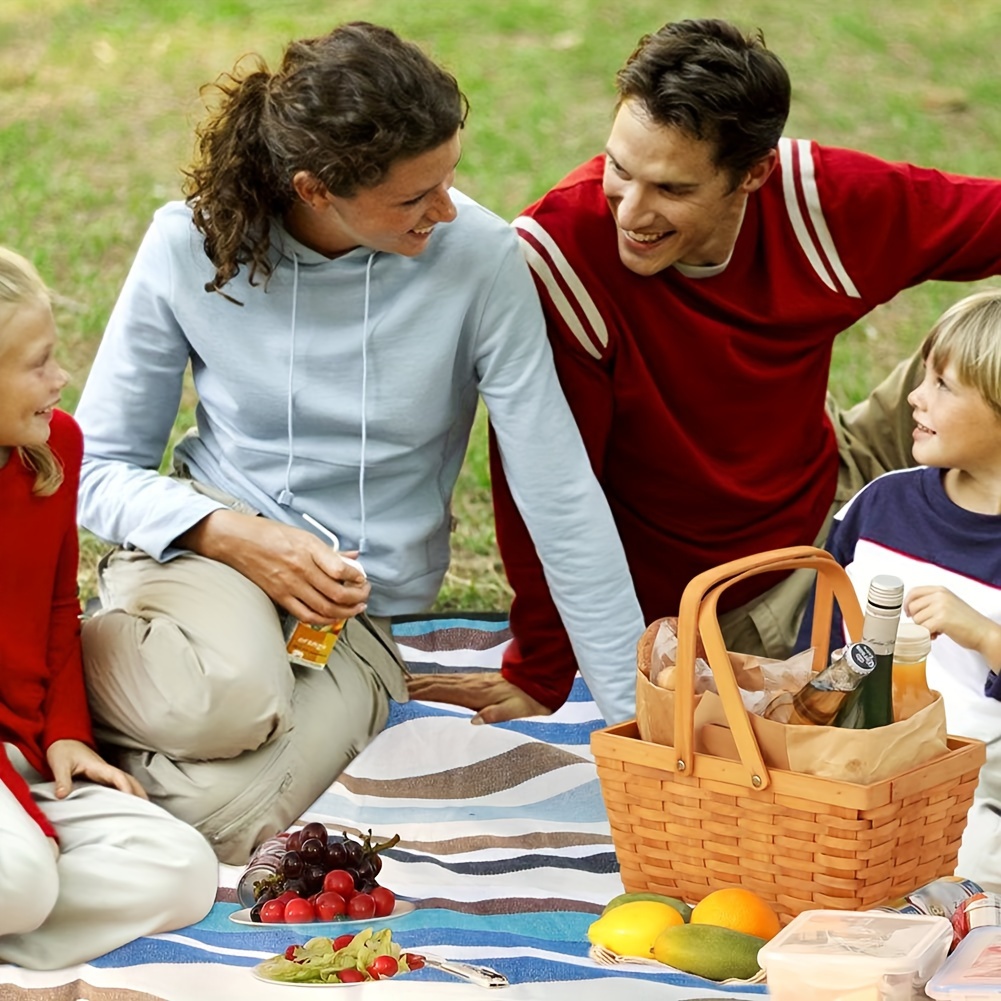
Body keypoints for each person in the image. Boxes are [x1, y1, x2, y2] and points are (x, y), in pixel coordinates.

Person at [73, 22, 644, 863]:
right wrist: (226, 533)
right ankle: (46, 670)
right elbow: (92, 465)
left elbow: (556, 487)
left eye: (448, 178)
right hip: (208, 551)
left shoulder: (481, 261)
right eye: (415, 197)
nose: (445, 209)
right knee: (227, 701)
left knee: (229, 819)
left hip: (352, 608)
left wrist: (636, 710)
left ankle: (79, 749)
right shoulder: (188, 245)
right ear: (314, 187)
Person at [409, 17, 1001, 722]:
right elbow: (546, 488)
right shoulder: (563, 260)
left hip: (830, 475)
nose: (630, 210)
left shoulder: (821, 205)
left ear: (753, 173)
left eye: (670, 189)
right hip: (742, 590)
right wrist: (540, 665)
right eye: (617, 169)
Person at [0, 247, 217, 970]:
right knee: (22, 878)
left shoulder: (52, 449)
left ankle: (22, 897)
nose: (61, 379)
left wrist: (65, 733)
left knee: (182, 869)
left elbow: (61, 608)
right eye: (37, 363)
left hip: (23, 748)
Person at [801, 289, 1001, 890]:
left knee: (963, 877)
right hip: (855, 760)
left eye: (943, 385)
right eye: (924, 376)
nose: (915, 396)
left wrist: (981, 632)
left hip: (973, 785)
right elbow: (823, 642)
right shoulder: (883, 504)